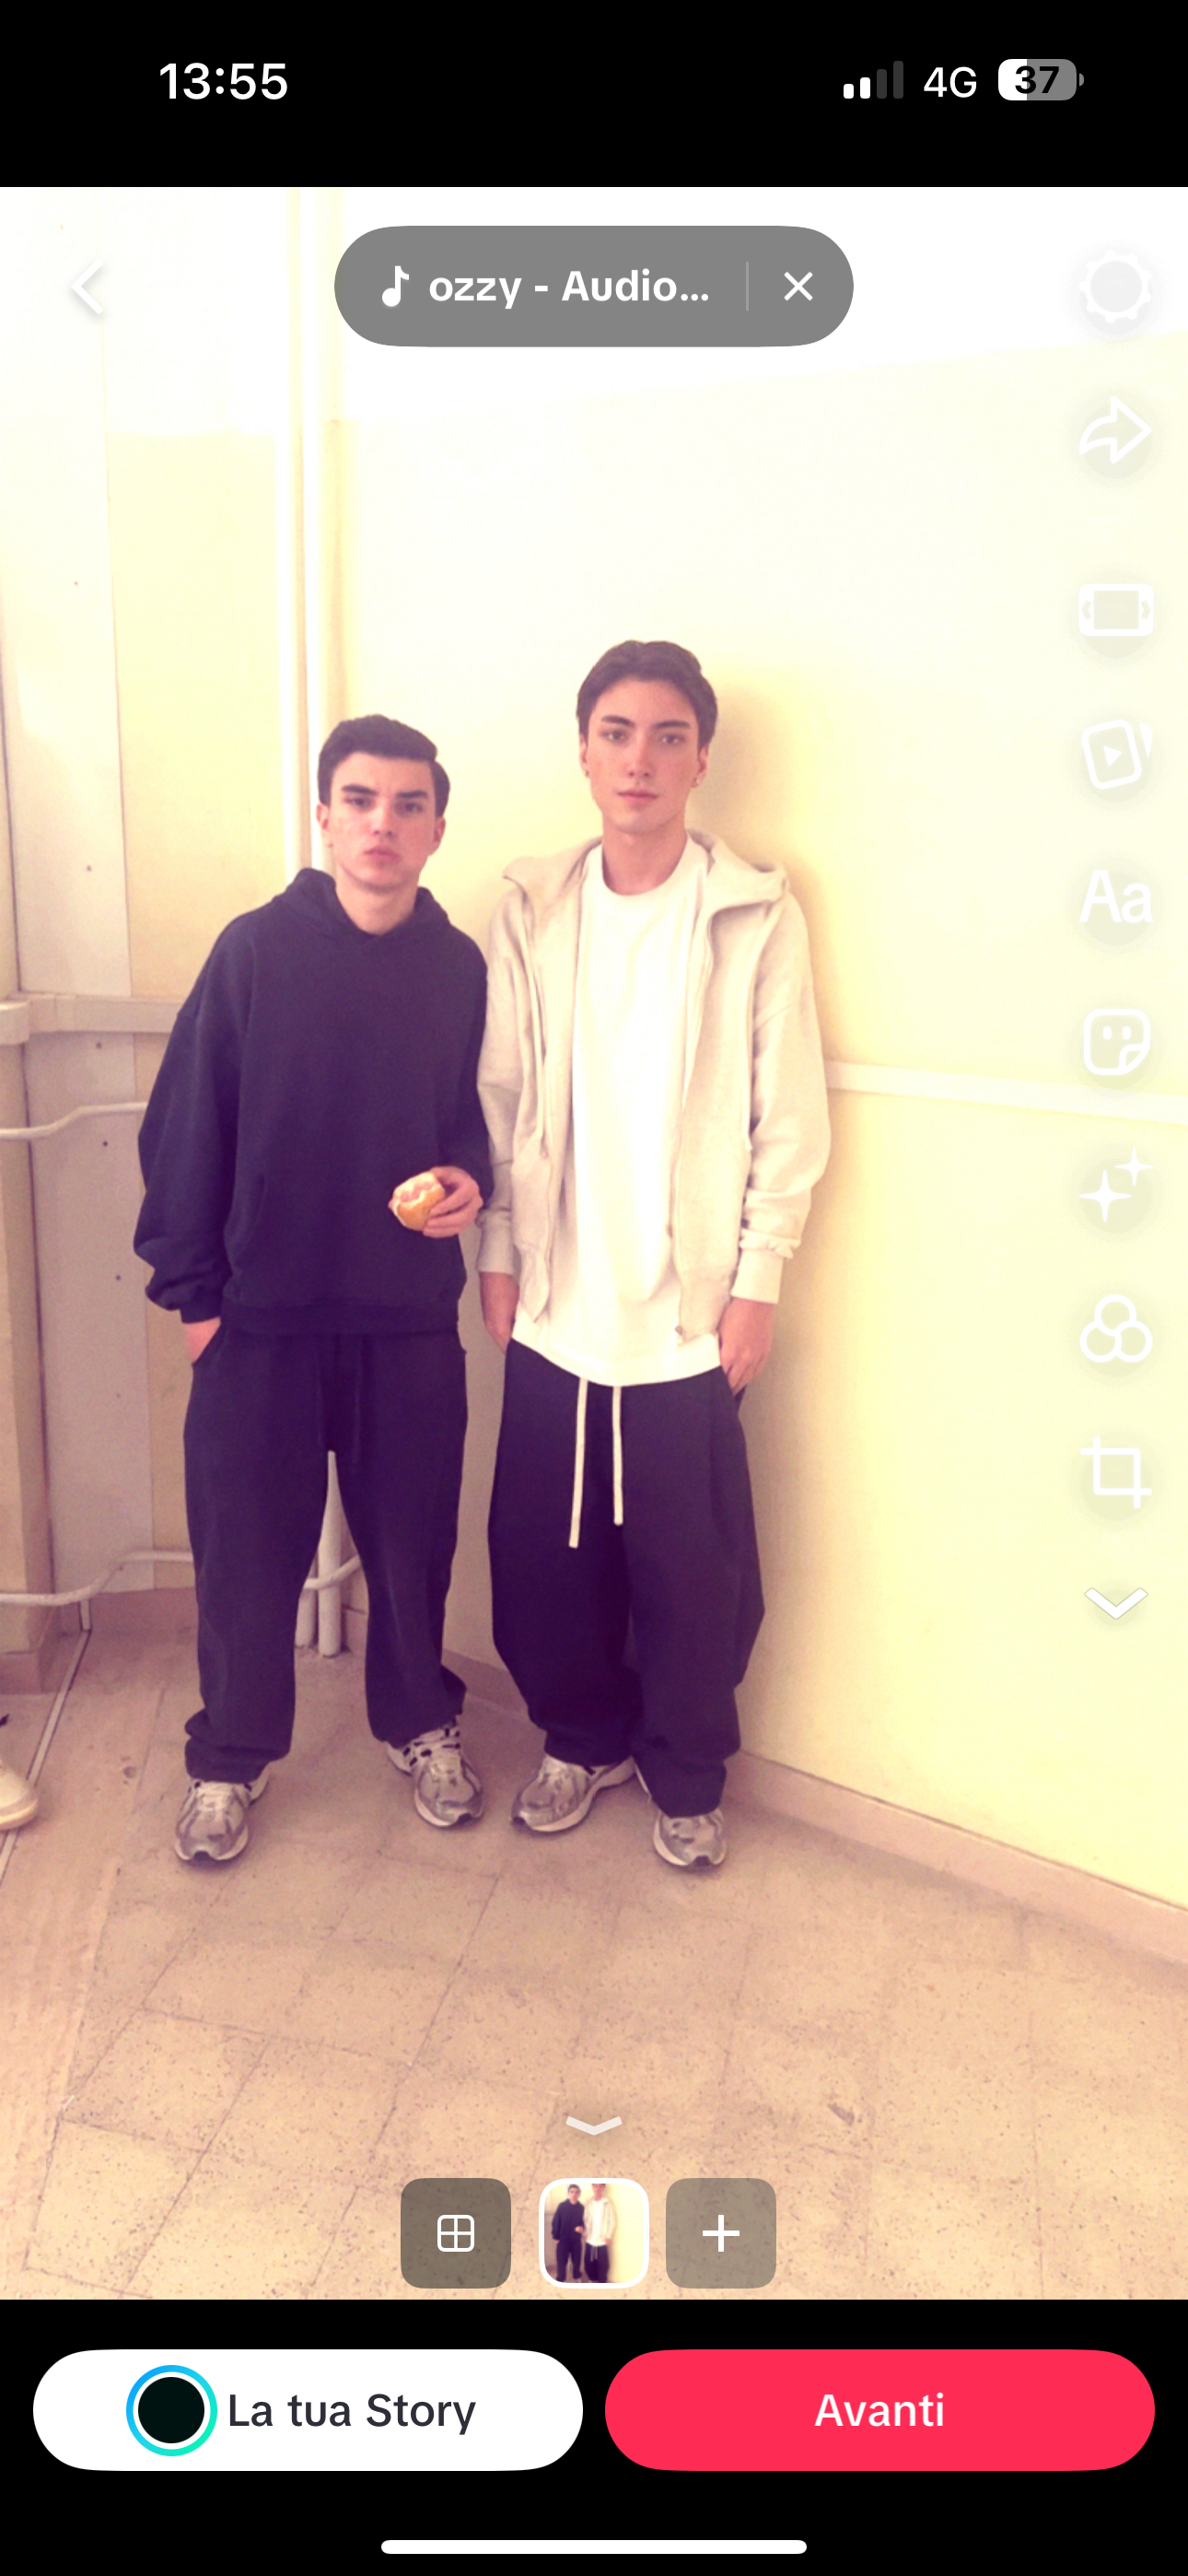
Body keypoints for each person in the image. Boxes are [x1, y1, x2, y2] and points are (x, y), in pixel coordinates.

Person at [479, 640, 830, 1870]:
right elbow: (501, 1090)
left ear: (700, 759)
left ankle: (685, 1773)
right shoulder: (530, 906)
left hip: (689, 1310)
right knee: (544, 1559)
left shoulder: (752, 911)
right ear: (583, 753)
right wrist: (498, 1250)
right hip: (555, 1300)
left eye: (667, 735)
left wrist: (758, 1279)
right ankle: (580, 1740)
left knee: (697, 1574)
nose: (640, 759)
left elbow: (787, 1114)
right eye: (617, 733)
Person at [134, 715, 492, 1864]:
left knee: (413, 1551)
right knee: (246, 1560)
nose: (383, 824)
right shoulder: (254, 953)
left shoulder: (459, 968)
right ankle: (229, 1757)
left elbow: (475, 1122)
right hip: (259, 1324)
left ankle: (420, 1722)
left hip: (406, 1321)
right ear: (326, 817)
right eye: (362, 801)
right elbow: (185, 1125)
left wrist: (468, 1180)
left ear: (438, 827)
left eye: (408, 805)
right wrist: (197, 1301)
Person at [551, 2183, 586, 2281]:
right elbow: (556, 2221)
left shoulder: (582, 2208)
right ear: (568, 2194)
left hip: (576, 2240)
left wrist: (582, 2227)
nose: (574, 2194)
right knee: (561, 2261)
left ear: (579, 2194)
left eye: (576, 2192)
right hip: (563, 2239)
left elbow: (584, 2222)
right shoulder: (562, 2206)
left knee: (577, 2260)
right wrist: (556, 2236)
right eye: (572, 2192)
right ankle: (561, 2278)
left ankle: (577, 2276)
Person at [583, 2181, 615, 2282]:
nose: (598, 2189)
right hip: (590, 2238)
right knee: (589, 2263)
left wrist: (608, 2236)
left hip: (602, 2239)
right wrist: (585, 2233)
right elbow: (585, 2219)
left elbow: (612, 2221)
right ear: (593, 2188)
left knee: (603, 2264)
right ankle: (592, 2279)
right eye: (595, 2186)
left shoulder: (607, 2203)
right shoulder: (588, 2202)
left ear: (603, 2188)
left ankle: (602, 2281)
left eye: (600, 2186)